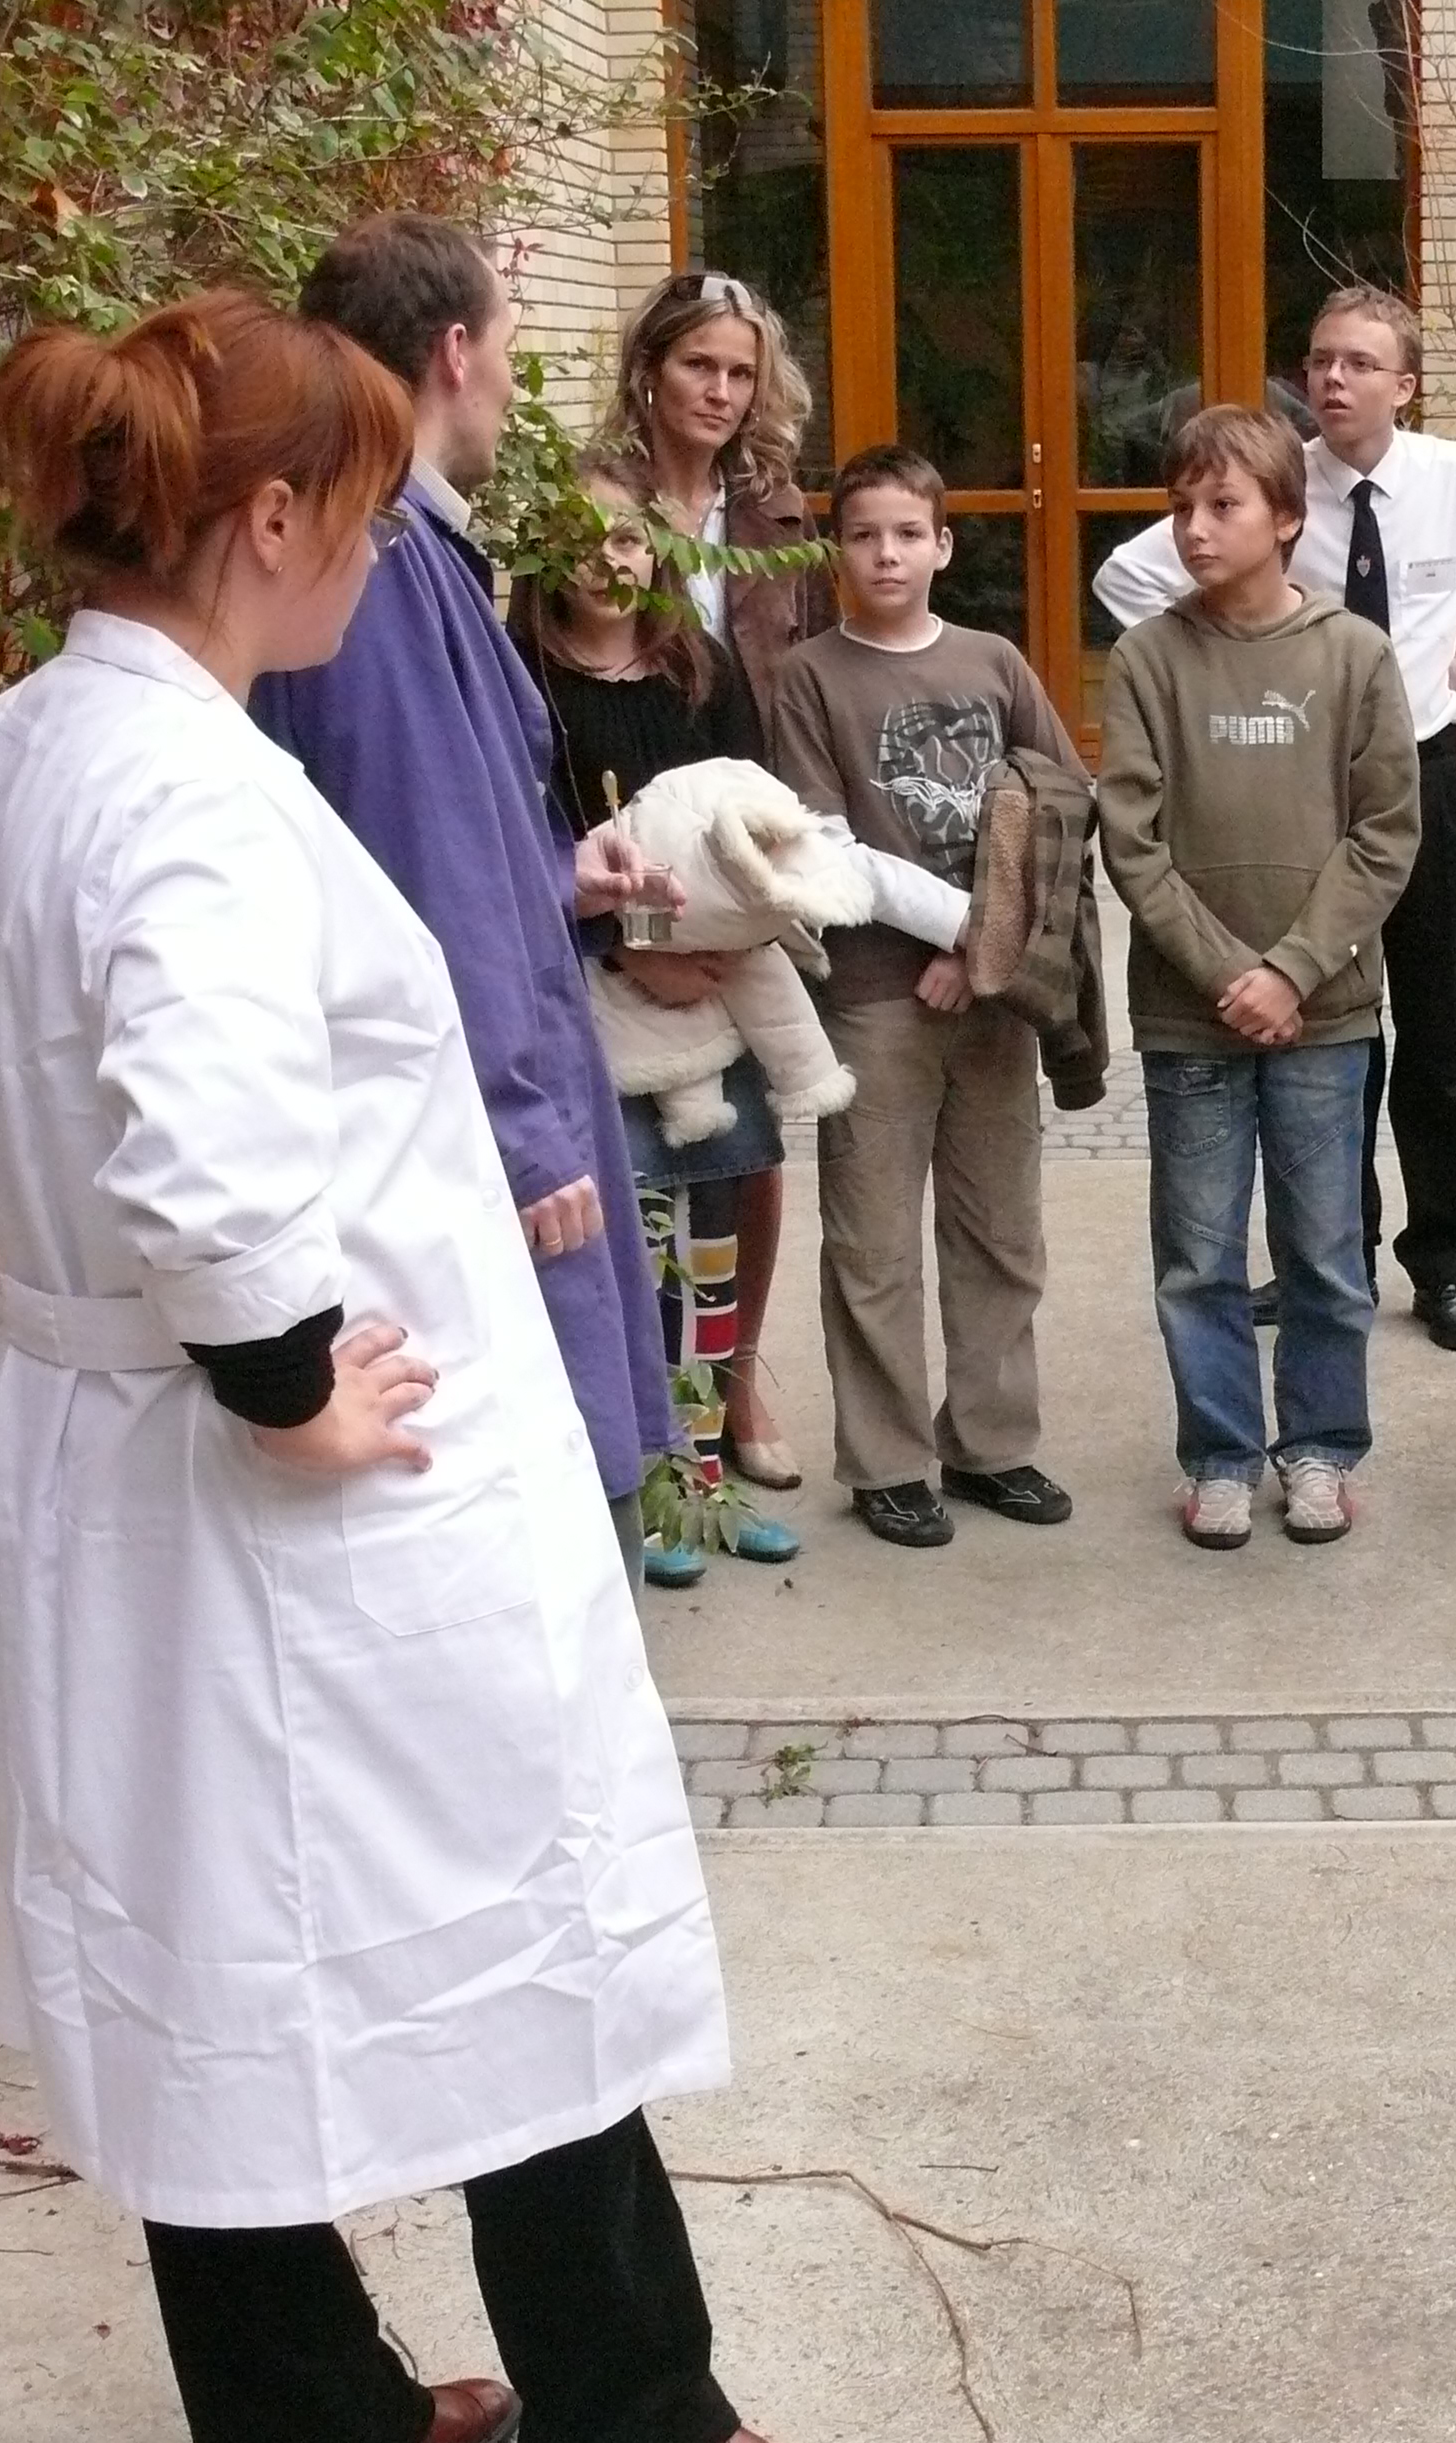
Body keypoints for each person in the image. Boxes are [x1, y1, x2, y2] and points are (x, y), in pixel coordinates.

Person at [0, 289, 835, 2443]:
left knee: (198, 1910)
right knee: (505, 1894)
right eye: (371, 511)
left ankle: (299, 2419)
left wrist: (103, 1286)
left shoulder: (21, 747)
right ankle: (626, 2397)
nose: (385, 551)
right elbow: (208, 1157)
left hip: (98, 1442)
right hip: (300, 1475)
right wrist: (283, 1373)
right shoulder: (192, 794)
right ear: (274, 518)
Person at [250, 214, 679, 1563]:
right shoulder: (376, 571)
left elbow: (449, 832)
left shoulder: (404, 551)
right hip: (464, 1120)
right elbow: (418, 858)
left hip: (484, 1075)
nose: (505, 377)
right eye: (505, 342)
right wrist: (523, 1129)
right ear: (452, 352)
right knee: (548, 1507)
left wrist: (559, 871)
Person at [1095, 286, 1456, 1354]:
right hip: (1305, 781)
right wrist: (1215, 671)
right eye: (1320, 358)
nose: (1333, 379)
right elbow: (1127, 576)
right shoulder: (1272, 487)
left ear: (1406, 384)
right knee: (1337, 1037)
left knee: (1436, 1038)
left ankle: (1446, 1263)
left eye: (1359, 363)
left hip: (1425, 772)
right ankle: (1327, 1256)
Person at [1096, 404, 1420, 1550]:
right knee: (1198, 1258)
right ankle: (1222, 1456)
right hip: (1190, 1019)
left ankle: (1321, 1449)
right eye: (1180, 505)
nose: (1195, 527)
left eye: (1223, 504)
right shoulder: (1146, 659)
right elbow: (1131, 841)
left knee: (1326, 1253)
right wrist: (1226, 973)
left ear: (1286, 517)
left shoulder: (1354, 655)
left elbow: (1385, 833)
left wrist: (1290, 971)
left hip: (1326, 1014)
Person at [765, 444, 1086, 1550]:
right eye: (864, 535)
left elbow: (1059, 807)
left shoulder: (995, 663)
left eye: (908, 533)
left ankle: (993, 1442)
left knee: (1000, 1230)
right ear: (837, 552)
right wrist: (963, 934)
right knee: (873, 1242)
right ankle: (888, 1460)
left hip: (992, 1007)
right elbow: (825, 847)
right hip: (873, 1000)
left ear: (944, 545)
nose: (887, 554)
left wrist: (987, 954)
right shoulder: (810, 678)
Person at [512, 454, 802, 1582]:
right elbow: (525, 848)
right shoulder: (527, 682)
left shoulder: (699, 671)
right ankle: (650, 1488)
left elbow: (756, 814)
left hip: (716, 1000)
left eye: (630, 538)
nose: (610, 561)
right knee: (633, 1253)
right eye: (584, 541)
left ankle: (710, 1479)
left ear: (663, 552)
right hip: (602, 1003)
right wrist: (627, 947)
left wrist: (722, 947)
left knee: (711, 1247)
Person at [593, 268, 832, 1490]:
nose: (722, 392)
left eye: (741, 373)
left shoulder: (777, 512)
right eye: (699, 366)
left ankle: (738, 1386)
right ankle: (652, 1402)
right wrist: (617, 928)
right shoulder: (591, 501)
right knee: (646, 1151)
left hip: (747, 846)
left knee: (752, 1146)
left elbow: (805, 675)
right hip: (626, 842)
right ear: (651, 368)